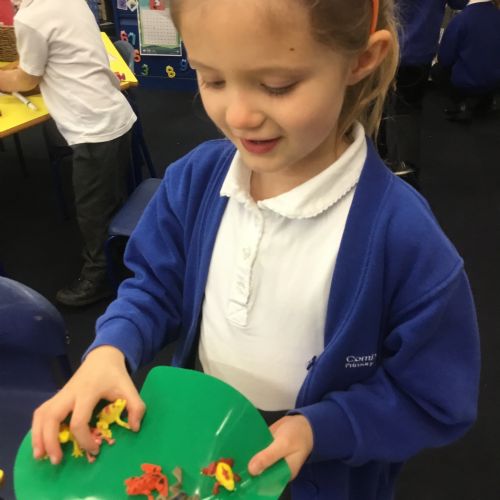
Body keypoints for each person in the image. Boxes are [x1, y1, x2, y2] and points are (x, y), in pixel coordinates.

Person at [30, 1, 480, 499]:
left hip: (322, 476)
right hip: (198, 455)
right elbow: (154, 287)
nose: (238, 115)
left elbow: (432, 398)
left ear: (361, 60)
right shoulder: (194, 181)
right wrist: (111, 349)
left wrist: (322, 428)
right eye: (212, 79)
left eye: (277, 85)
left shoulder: (405, 240)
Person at [0, 0, 137, 307]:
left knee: (92, 212)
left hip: (93, 128)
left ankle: (99, 277)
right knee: (110, 199)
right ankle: (120, 258)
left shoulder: (31, 18)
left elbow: (27, 79)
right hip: (113, 114)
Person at [382, 0, 467, 186]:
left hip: (386, 48)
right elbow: (460, 3)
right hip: (419, 52)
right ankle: (407, 170)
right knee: (410, 110)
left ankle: (379, 159)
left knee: (378, 106)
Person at [431, 0, 500, 121]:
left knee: (437, 70)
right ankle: (486, 100)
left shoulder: (461, 19)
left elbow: (445, 58)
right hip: (495, 82)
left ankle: (461, 103)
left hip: (466, 84)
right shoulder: (496, 15)